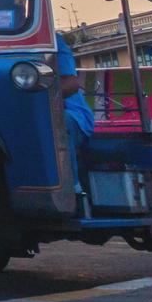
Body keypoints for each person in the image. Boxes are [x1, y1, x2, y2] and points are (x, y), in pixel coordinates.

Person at [56, 31, 94, 196]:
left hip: (73, 116)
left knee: (58, 121)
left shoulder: (52, 41)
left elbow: (70, 83)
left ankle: (72, 188)